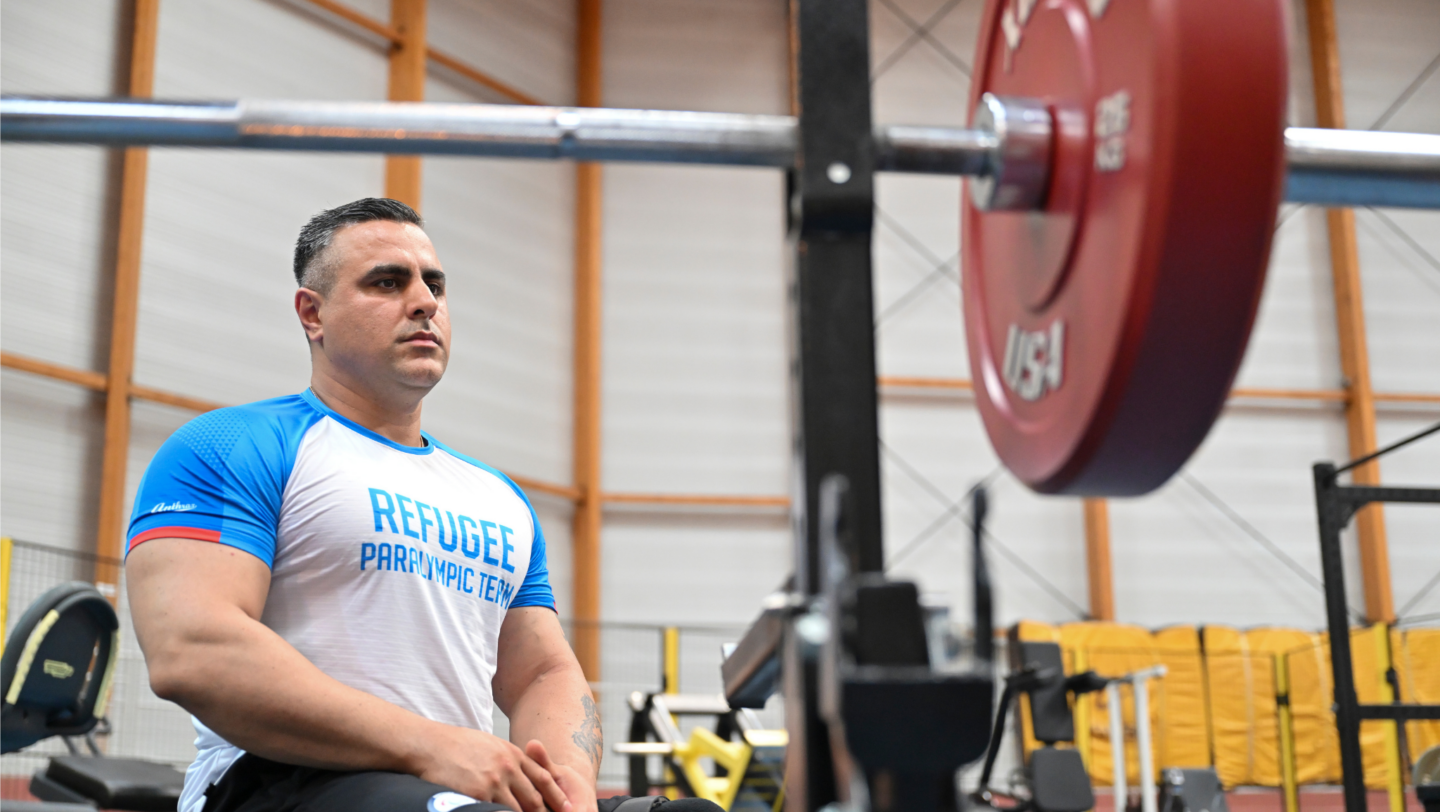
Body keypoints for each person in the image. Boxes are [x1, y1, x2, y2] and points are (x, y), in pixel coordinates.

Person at [126, 198, 612, 812]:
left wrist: (564, 784)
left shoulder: (500, 498)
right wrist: (432, 747)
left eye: (434, 284)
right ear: (313, 314)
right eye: (388, 281)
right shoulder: (233, 445)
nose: (424, 302)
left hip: (451, 786)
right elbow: (191, 649)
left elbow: (544, 672)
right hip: (279, 782)